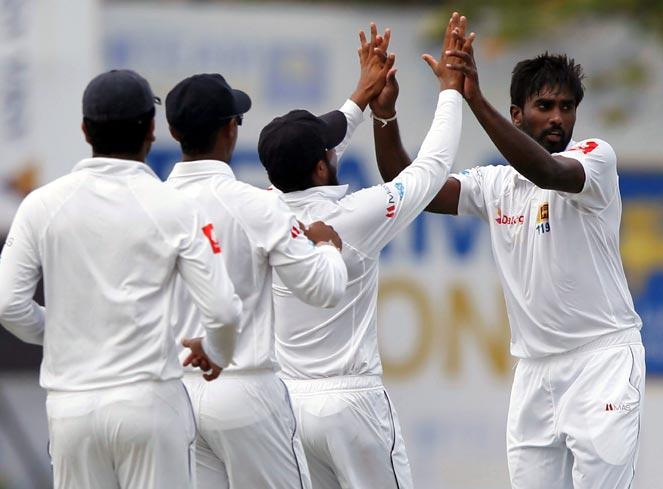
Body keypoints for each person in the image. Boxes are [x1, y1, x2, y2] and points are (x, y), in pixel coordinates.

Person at [375, 24, 645, 489]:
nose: (558, 118)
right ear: (518, 116)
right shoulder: (495, 185)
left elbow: (545, 170)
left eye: (566, 107)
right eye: (544, 107)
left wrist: (473, 99)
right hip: (535, 373)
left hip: (602, 363)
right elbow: (409, 185)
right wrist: (384, 116)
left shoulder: (595, 160)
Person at [0, 69, 242, 489]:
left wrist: (57, 332)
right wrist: (217, 352)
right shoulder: (175, 206)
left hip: (72, 408)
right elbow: (221, 309)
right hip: (148, 403)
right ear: (151, 128)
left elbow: (7, 304)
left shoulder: (42, 204)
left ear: (84, 129)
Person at [255, 17, 466, 488]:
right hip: (352, 405)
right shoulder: (355, 217)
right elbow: (431, 168)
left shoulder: (263, 207)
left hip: (287, 405)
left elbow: (319, 152)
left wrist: (364, 97)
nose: (335, 152)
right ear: (318, 166)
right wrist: (451, 91)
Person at [163, 72, 350, 489]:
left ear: (174, 131)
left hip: (177, 393)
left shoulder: (152, 205)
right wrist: (327, 247)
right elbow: (324, 288)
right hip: (246, 390)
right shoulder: (254, 205)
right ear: (231, 129)